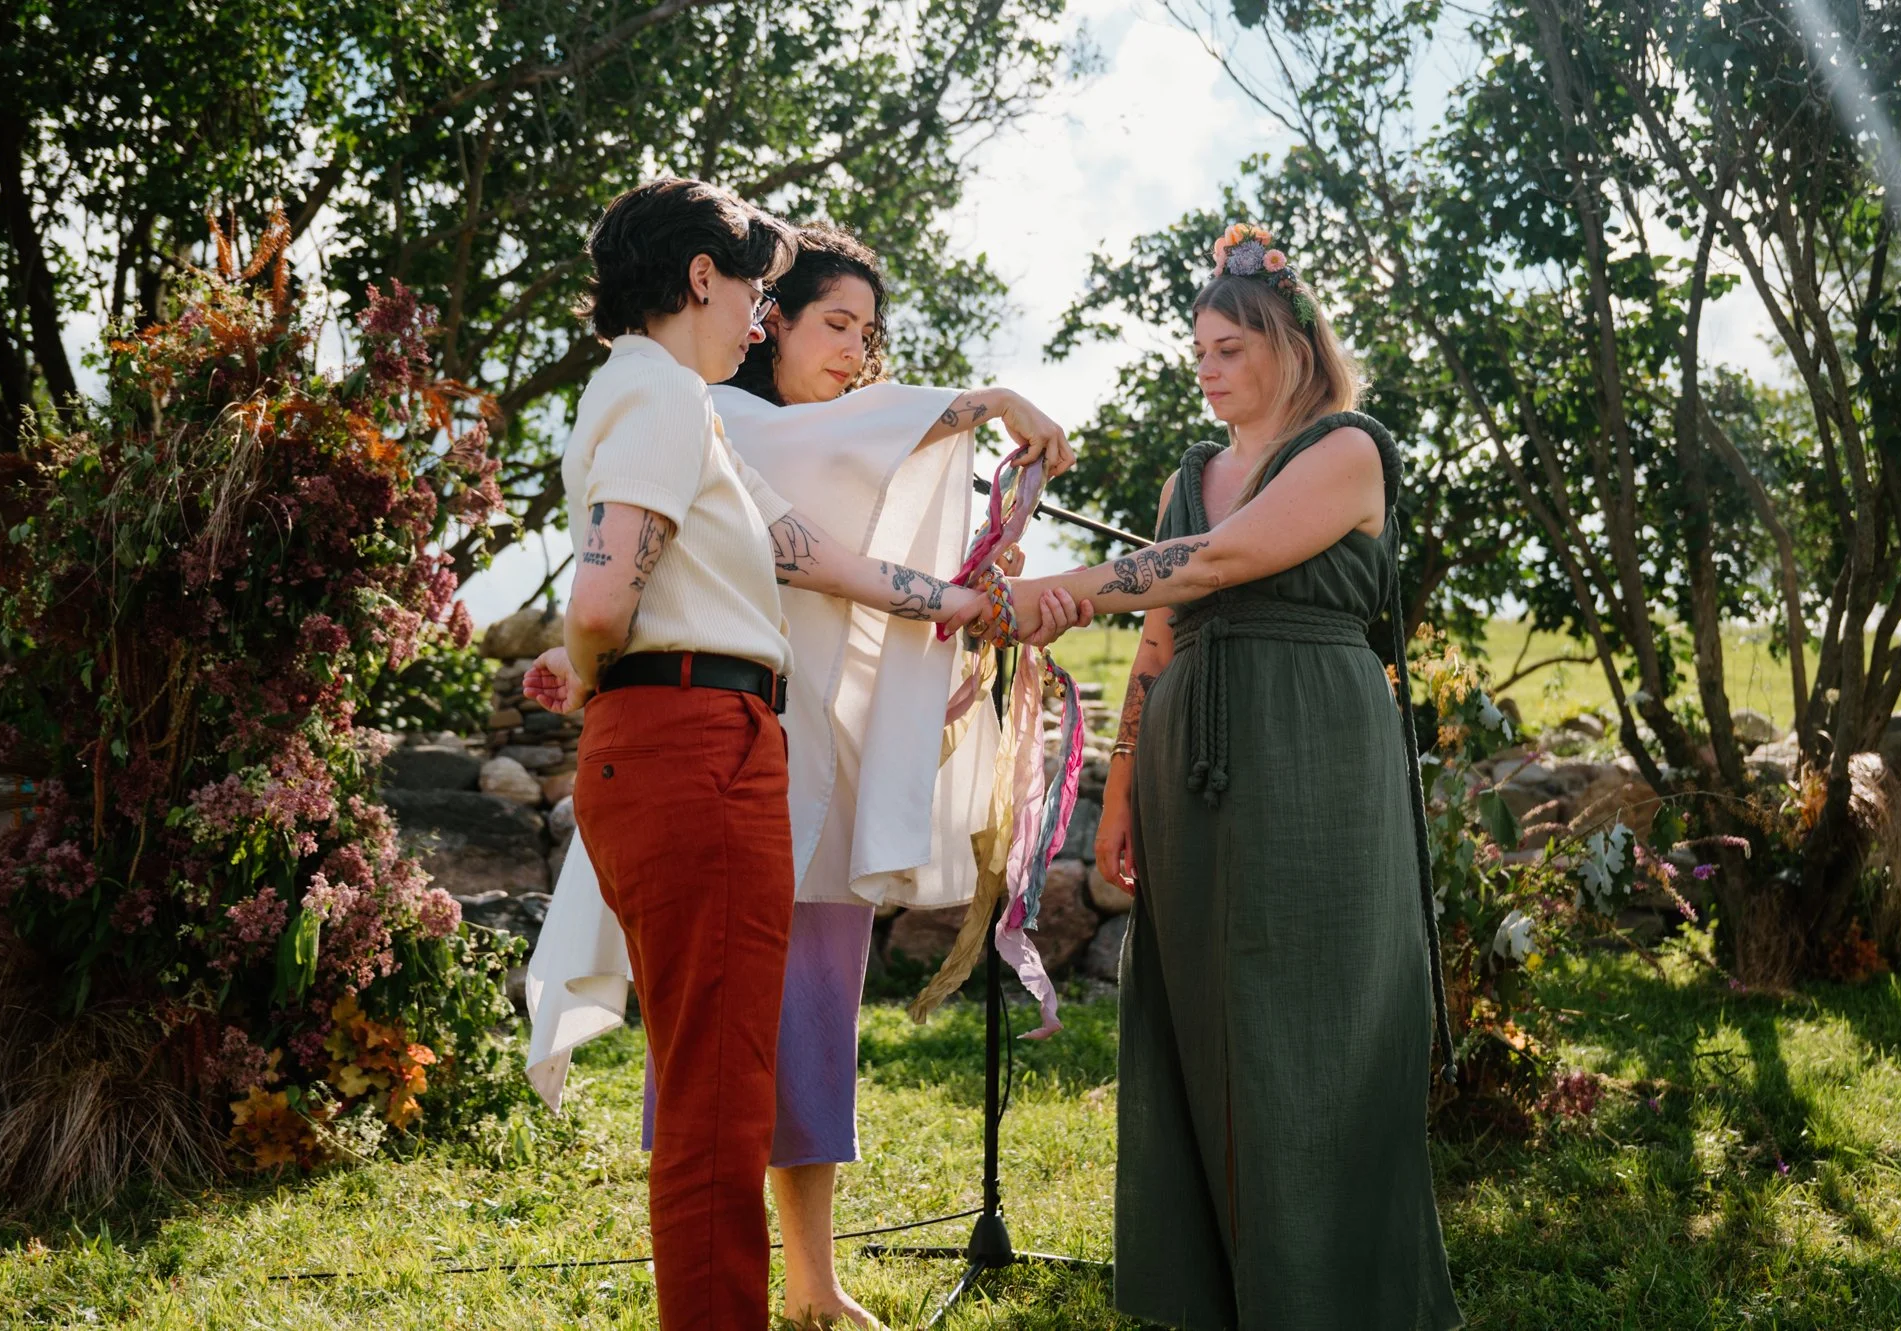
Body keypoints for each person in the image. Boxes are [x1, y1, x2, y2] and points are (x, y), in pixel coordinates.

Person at [526, 212, 1088, 1329]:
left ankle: (765, 1297)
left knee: (722, 1084)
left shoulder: (669, 406)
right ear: (702, 278)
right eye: (753, 290)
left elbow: (800, 553)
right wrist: (601, 664)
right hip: (690, 735)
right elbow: (602, 597)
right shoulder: (664, 394)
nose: (756, 314)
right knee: (715, 1096)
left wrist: (969, 603)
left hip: (709, 733)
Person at [1004, 224, 1462, 1329]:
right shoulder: (1184, 478)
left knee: (1312, 1014)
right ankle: (1223, 1292)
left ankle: (1333, 1294)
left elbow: (1219, 560)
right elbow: (1158, 640)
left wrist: (1055, 587)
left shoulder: (1346, 449)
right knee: (1207, 1017)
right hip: (1189, 770)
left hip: (1315, 755)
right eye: (1197, 351)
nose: (1205, 369)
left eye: (1226, 348)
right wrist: (1119, 793)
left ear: (1289, 345)